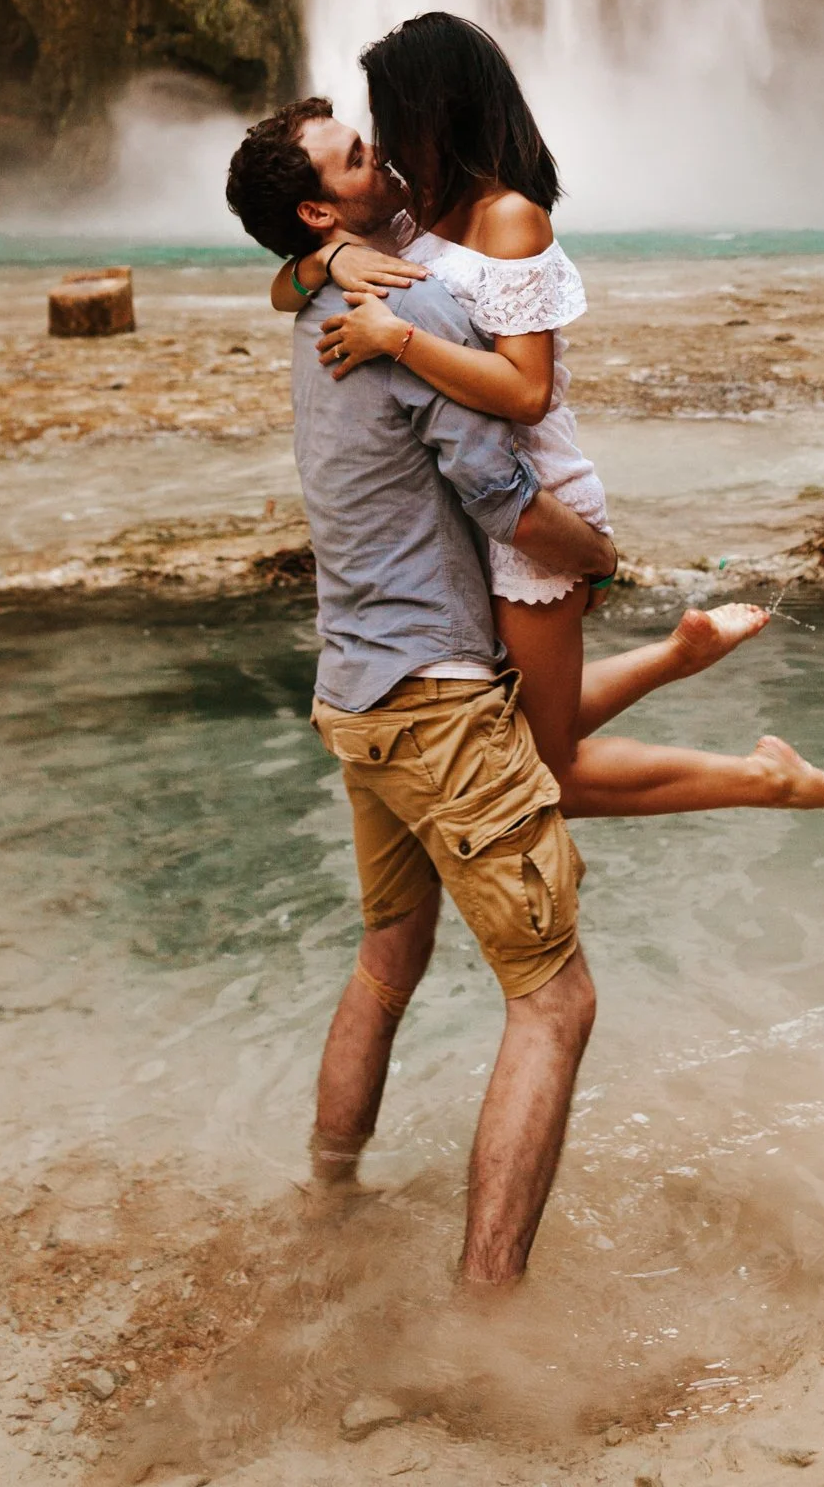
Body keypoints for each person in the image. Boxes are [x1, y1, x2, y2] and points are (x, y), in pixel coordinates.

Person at [264, 26, 824, 818]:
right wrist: (327, 261)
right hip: (475, 509)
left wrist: (398, 337)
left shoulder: (511, 218)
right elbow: (284, 284)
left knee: (540, 774)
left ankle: (769, 778)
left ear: (434, 111)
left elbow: (527, 394)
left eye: (386, 118)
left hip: (535, 504)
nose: (378, 145)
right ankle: (680, 656)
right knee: (520, 737)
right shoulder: (418, 214)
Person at [225, 103, 613, 1288]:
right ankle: (487, 1312)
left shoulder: (316, 305)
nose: (381, 160)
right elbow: (503, 493)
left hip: (352, 686)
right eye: (353, 158)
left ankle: (326, 1195)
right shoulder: (413, 310)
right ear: (312, 208)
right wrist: (597, 556)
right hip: (435, 696)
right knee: (555, 1003)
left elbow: (297, 285)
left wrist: (321, 265)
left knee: (388, 953)